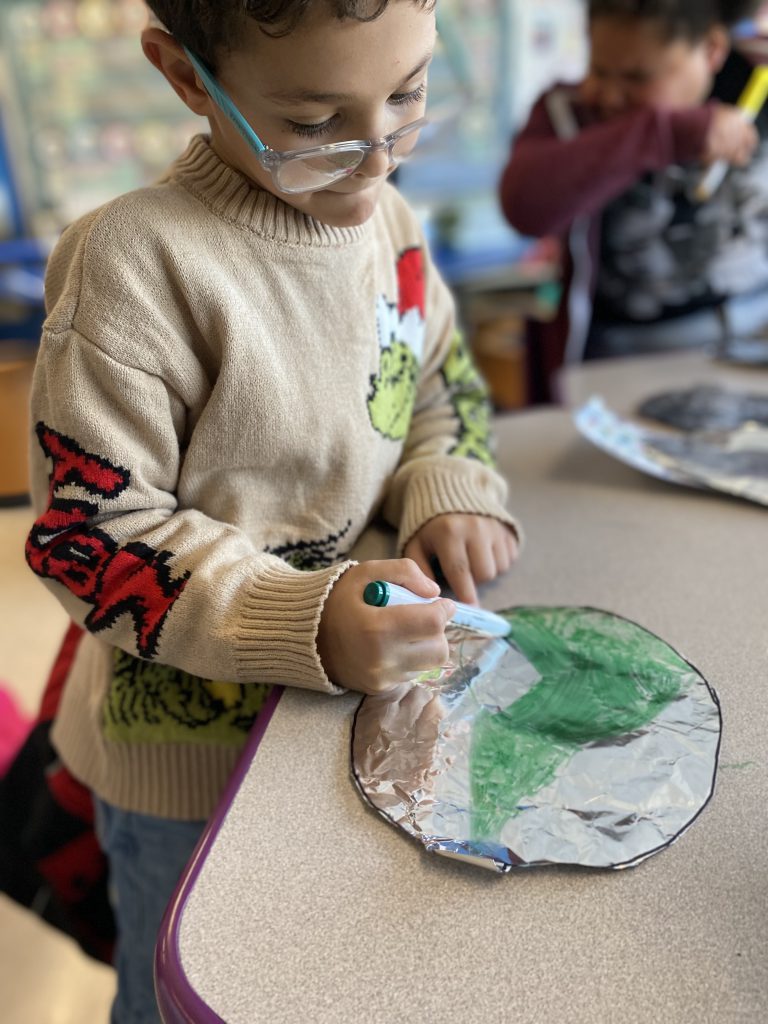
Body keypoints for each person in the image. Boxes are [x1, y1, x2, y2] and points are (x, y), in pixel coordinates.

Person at [24, 0, 520, 1019]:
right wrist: (305, 614)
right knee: (193, 993)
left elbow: (437, 385)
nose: (378, 159)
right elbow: (91, 540)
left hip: (350, 731)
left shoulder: (389, 216)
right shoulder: (131, 266)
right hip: (187, 775)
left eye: (410, 93)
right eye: (315, 124)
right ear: (189, 77)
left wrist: (449, 485)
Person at [500, 0, 767, 403]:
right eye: (599, 70)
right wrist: (663, 134)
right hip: (623, 361)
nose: (609, 95)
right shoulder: (570, 110)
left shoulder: (757, 84)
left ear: (712, 49)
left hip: (755, 341)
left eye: (637, 77)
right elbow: (524, 207)